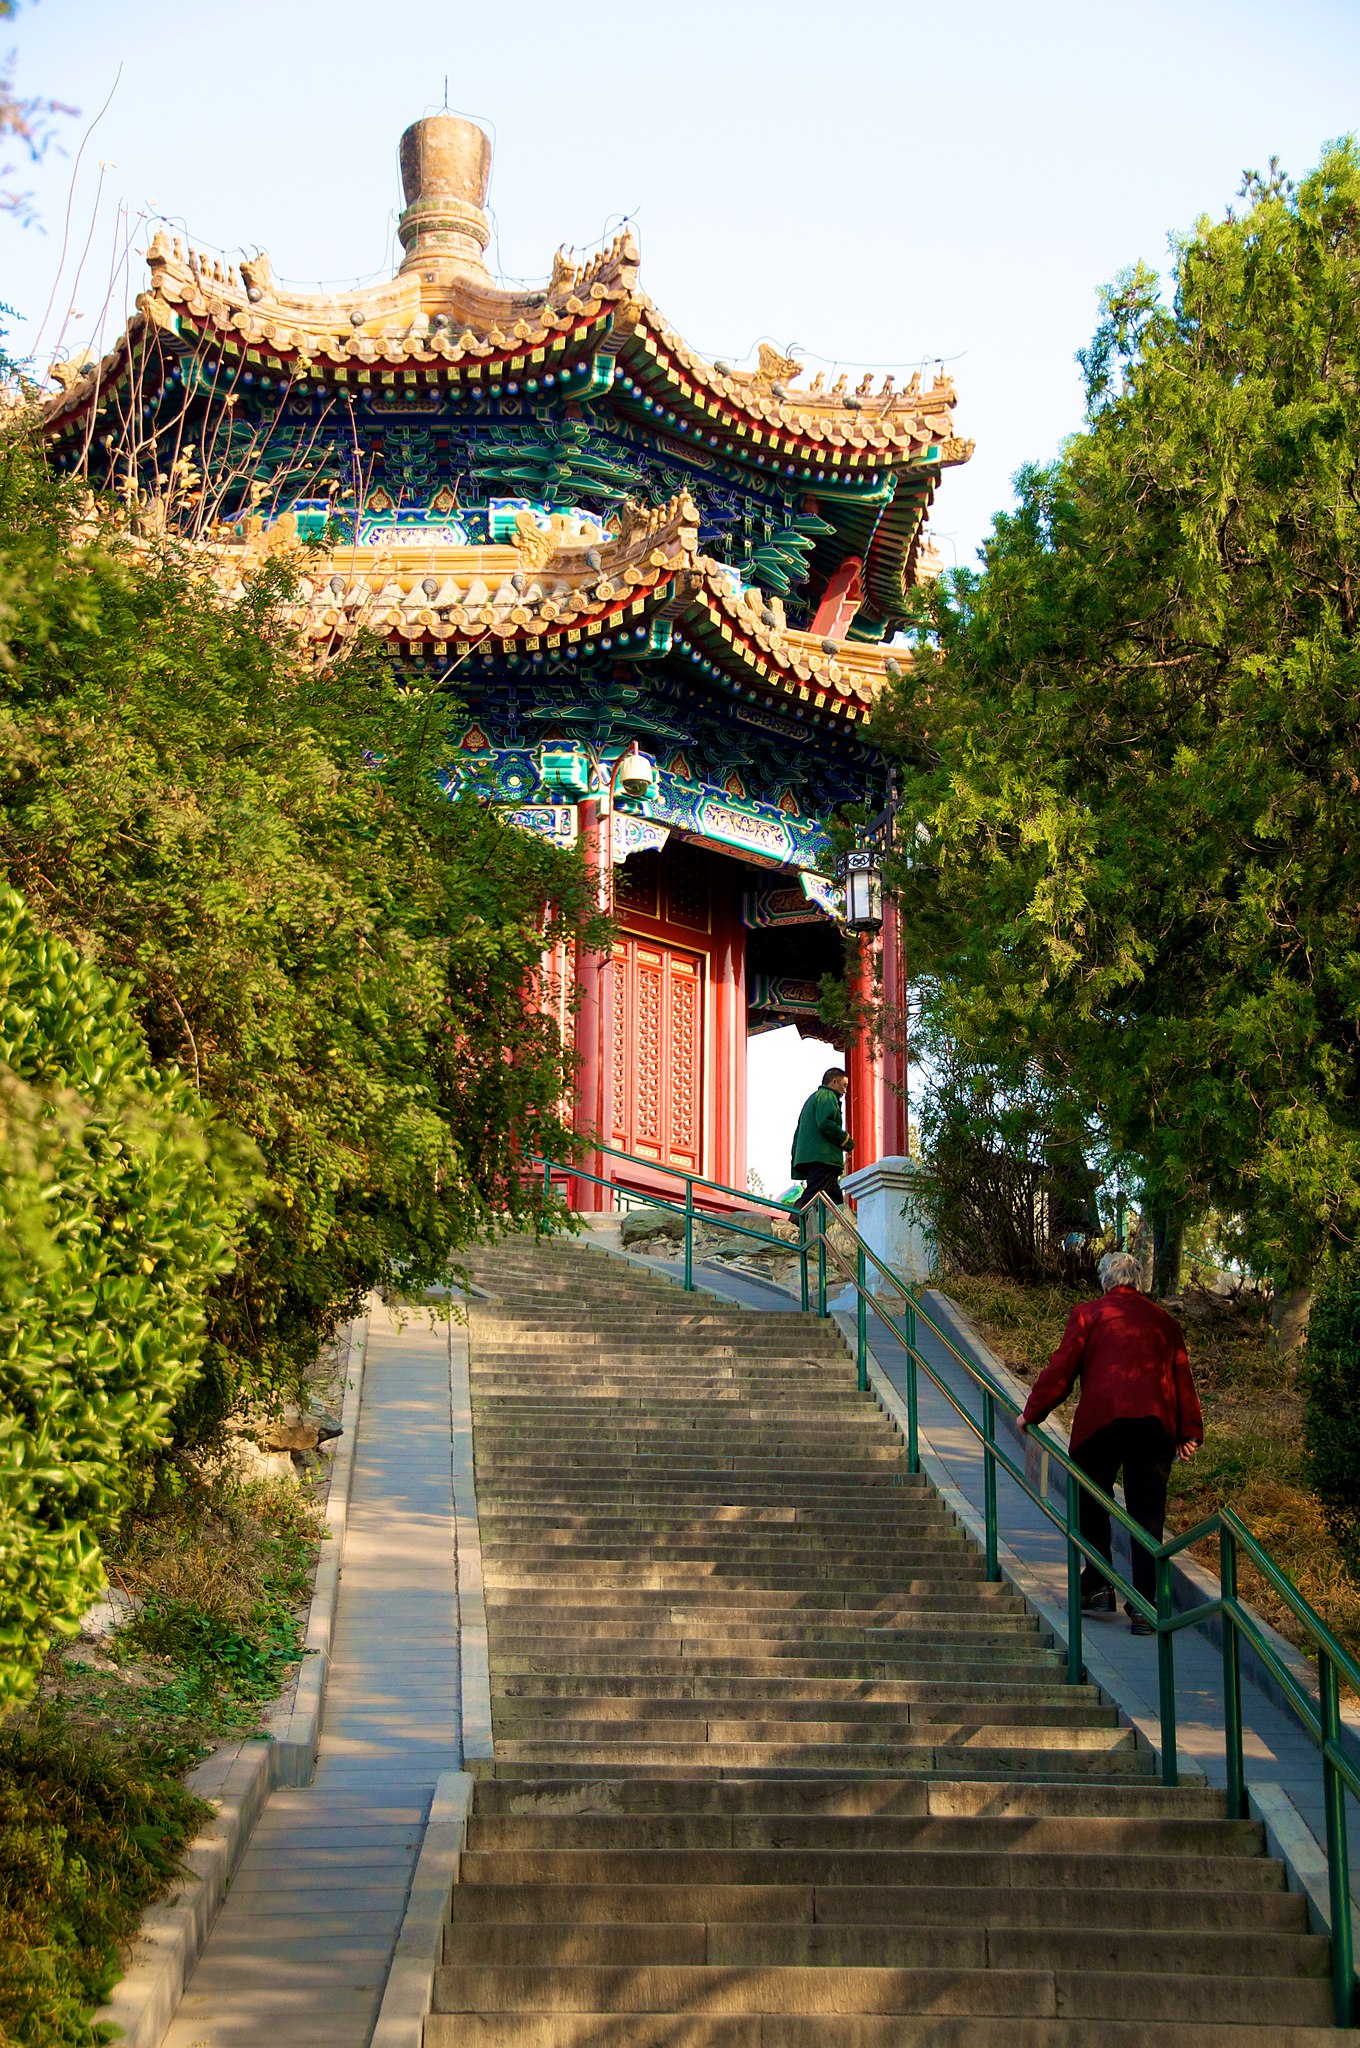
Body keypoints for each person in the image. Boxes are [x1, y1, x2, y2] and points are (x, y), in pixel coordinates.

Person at [1017, 1249, 1202, 1636]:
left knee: (1090, 1492)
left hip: (1102, 1421)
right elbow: (1180, 1374)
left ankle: (1098, 1583)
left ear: (1104, 1282)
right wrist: (1188, 1431)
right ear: (1138, 1282)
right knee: (1146, 1511)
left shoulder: (1088, 1314)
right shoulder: (1164, 1321)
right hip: (1153, 1425)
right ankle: (1145, 1603)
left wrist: (1030, 1413)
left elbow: (1061, 1370)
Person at [791, 1067, 853, 1211]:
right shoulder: (827, 1096)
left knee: (834, 1199)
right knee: (813, 1196)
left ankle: (838, 1228)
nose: (845, 1091)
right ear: (834, 1082)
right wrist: (846, 1140)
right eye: (844, 1086)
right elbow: (826, 1123)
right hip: (823, 1157)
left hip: (814, 1156)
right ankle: (793, 1222)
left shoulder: (814, 1098)